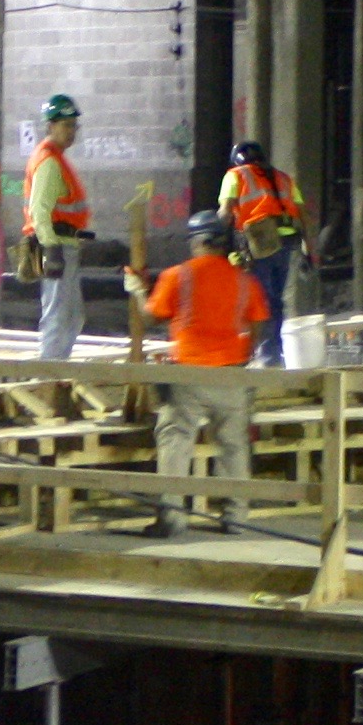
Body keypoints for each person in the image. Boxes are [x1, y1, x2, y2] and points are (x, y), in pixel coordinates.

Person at [143, 210, 271, 537]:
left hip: (188, 375)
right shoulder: (245, 280)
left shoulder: (178, 276)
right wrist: (244, 355)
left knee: (175, 442)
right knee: (234, 447)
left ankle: (171, 520)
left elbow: (150, 318)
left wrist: (137, 291)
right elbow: (258, 322)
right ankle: (236, 519)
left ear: (198, 241)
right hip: (232, 375)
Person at [218, 140, 305, 366]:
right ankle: (273, 353)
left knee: (260, 299)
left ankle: (265, 355)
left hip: (261, 240)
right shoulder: (284, 178)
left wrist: (214, 237)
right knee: (276, 300)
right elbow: (302, 214)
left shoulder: (235, 175)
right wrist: (308, 250)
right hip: (287, 241)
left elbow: (226, 212)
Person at [21, 93, 90, 363]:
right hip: (56, 246)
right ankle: (49, 373)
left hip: (65, 245)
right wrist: (51, 248)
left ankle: (57, 367)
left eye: (74, 125)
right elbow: (39, 211)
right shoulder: (49, 161)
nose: (71, 131)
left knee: (71, 315)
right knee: (59, 314)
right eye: (65, 125)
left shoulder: (56, 158)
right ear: (50, 126)